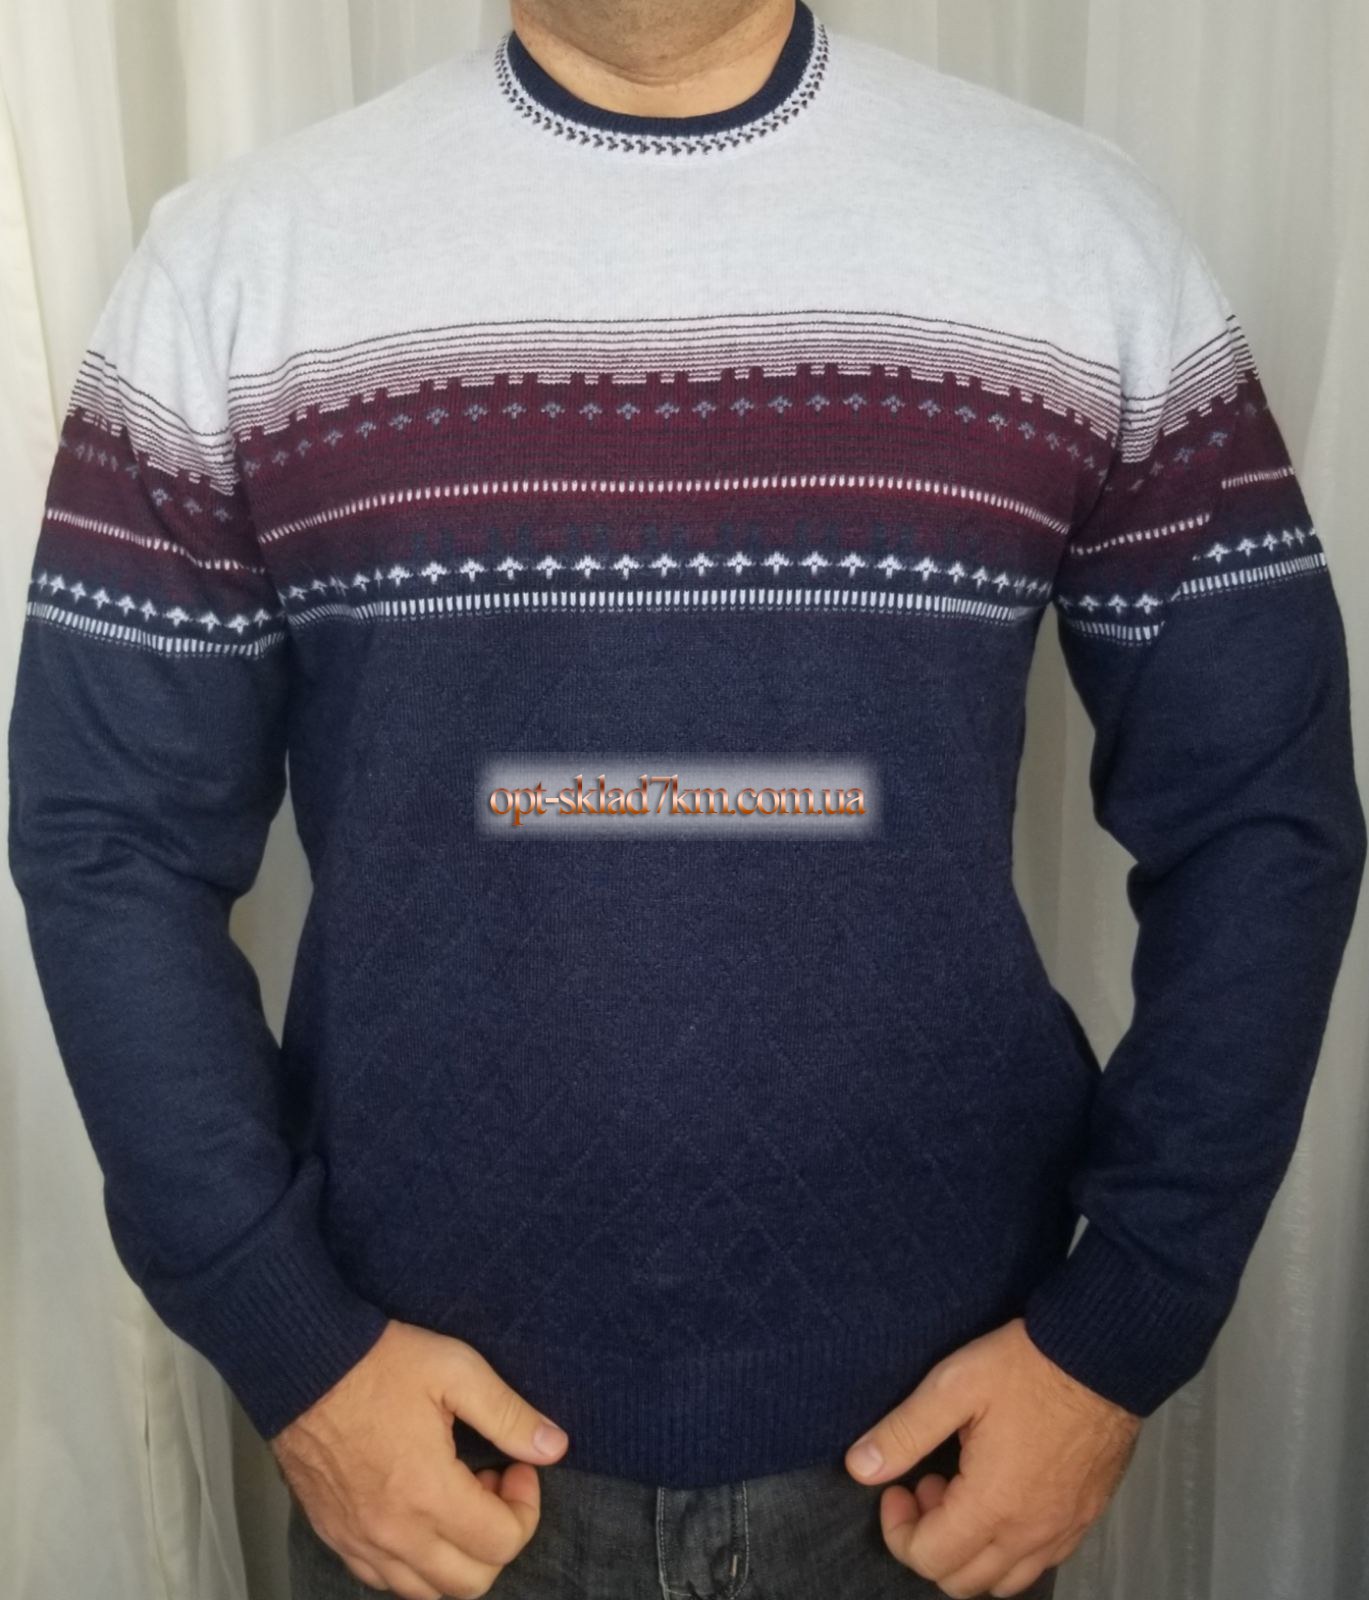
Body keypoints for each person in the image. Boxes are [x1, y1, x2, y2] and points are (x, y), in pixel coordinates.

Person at [7, 1, 1364, 1596]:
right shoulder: (239, 264)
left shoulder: (1077, 238)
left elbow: (1260, 811)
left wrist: (1117, 1334)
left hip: (933, 1456)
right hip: (427, 1460)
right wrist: (287, 1343)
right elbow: (108, 835)